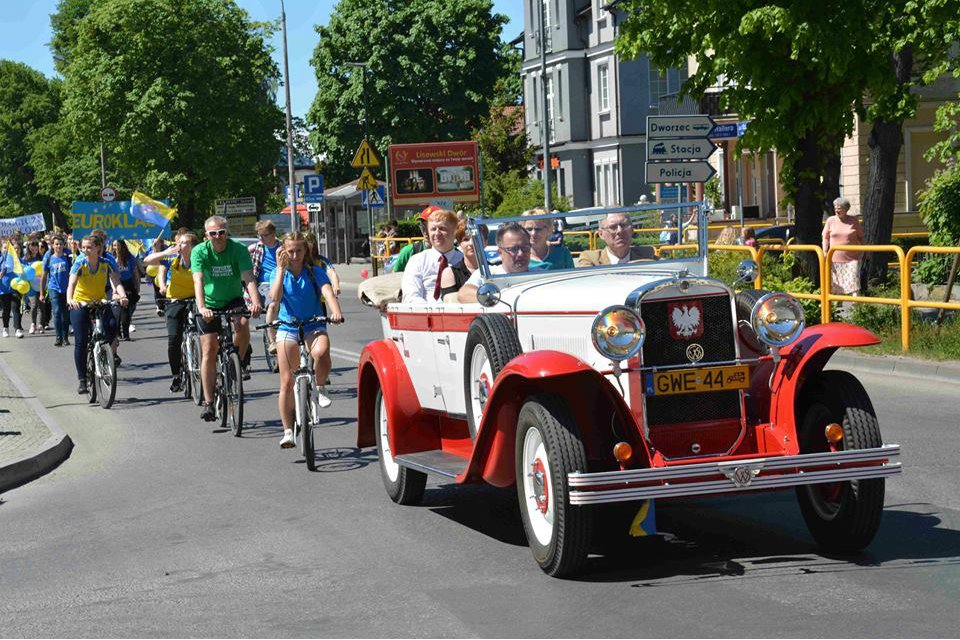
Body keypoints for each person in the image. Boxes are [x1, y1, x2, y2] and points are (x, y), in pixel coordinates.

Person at [270, 232, 343, 448]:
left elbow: (327, 293)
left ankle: (320, 388)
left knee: (321, 351)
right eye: (290, 251)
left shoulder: (315, 271)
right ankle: (287, 431)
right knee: (286, 382)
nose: (294, 255)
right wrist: (281, 270)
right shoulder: (278, 272)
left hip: (313, 323)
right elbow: (274, 298)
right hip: (288, 327)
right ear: (283, 252)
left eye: (299, 250)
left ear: (305, 251)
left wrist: (336, 311)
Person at [191, 215, 262, 422]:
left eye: (221, 232)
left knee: (243, 324)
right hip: (210, 303)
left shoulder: (238, 249)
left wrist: (255, 301)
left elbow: (248, 277)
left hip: (233, 299)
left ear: (226, 232)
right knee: (209, 349)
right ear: (206, 235)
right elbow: (198, 279)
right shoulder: (200, 251)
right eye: (213, 233)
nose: (218, 237)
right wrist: (202, 307)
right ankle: (209, 403)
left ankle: (235, 363)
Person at [66, 235, 128, 394]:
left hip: (99, 301)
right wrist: (70, 299)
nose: (85, 250)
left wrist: (122, 296)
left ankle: (104, 353)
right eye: (83, 247)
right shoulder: (80, 263)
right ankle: (82, 379)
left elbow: (116, 282)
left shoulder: (106, 263)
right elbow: (71, 283)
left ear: (98, 249)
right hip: (80, 303)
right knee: (80, 340)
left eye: (89, 247)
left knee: (113, 326)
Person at [143, 230, 199, 392]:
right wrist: (165, 252)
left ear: (192, 246)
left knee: (207, 332)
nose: (179, 245)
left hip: (197, 299)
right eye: (178, 242)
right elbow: (147, 261)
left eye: (183, 243)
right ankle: (176, 375)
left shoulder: (200, 258)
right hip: (175, 299)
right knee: (174, 338)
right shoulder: (173, 258)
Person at [458, 223, 532, 303]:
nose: (521, 253)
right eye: (514, 249)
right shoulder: (486, 273)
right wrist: (496, 299)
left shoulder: (541, 273)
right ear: (500, 252)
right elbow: (464, 294)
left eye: (525, 248)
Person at [400, 208, 463, 304]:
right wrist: (431, 313)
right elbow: (411, 296)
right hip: (425, 315)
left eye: (442, 228)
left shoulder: (464, 260)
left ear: (455, 232)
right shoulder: (417, 261)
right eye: (433, 229)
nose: (437, 233)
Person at [248, 220, 282, 354]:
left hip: (283, 282)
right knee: (273, 305)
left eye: (265, 235)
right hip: (265, 285)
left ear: (273, 233)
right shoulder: (255, 248)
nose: (261, 238)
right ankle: (272, 341)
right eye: (259, 235)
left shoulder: (283, 248)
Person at [576, 213, 657, 266]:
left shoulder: (648, 255)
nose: (620, 231)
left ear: (632, 230)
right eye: (613, 227)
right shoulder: (591, 259)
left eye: (624, 225)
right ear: (601, 234)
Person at [822, 196, 864, 296]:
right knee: (836, 286)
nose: (837, 210)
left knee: (854, 284)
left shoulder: (854, 221)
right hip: (834, 259)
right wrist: (825, 251)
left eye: (839, 208)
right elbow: (825, 237)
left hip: (852, 259)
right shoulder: (830, 220)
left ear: (846, 209)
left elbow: (861, 237)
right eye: (835, 208)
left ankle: (856, 306)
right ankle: (837, 307)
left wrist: (863, 251)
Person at [40, 234, 72, 346]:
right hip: (54, 288)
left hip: (66, 289)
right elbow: (43, 277)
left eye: (60, 244)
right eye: (56, 244)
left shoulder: (67, 258)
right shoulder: (49, 258)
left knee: (66, 314)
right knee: (57, 312)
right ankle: (58, 337)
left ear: (64, 245)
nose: (58, 246)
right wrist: (42, 293)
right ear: (53, 246)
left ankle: (65, 337)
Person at [438, 222, 482, 300]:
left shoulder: (496, 269)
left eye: (476, 238)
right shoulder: (450, 273)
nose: (471, 243)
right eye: (466, 239)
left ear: (485, 241)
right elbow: (451, 304)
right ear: (459, 244)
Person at [393, 205, 443, 272]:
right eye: (422, 226)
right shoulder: (408, 252)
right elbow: (394, 278)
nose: (425, 231)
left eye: (430, 226)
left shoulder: (452, 254)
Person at [110, 240, 141, 340]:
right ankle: (118, 332)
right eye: (115, 245)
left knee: (126, 310)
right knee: (117, 310)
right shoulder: (110, 258)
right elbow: (110, 276)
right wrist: (114, 290)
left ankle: (126, 334)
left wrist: (137, 285)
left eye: (119, 245)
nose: (117, 247)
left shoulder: (129, 258)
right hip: (116, 285)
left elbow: (135, 272)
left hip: (128, 285)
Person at [0, 240, 26, 338]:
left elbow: (25, 271)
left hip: (16, 288)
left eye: (8, 248)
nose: (7, 250)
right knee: (6, 310)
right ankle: (5, 328)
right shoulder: (1, 260)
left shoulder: (17, 260)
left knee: (16, 308)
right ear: (1, 249)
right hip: (3, 289)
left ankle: (17, 329)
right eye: (5, 248)